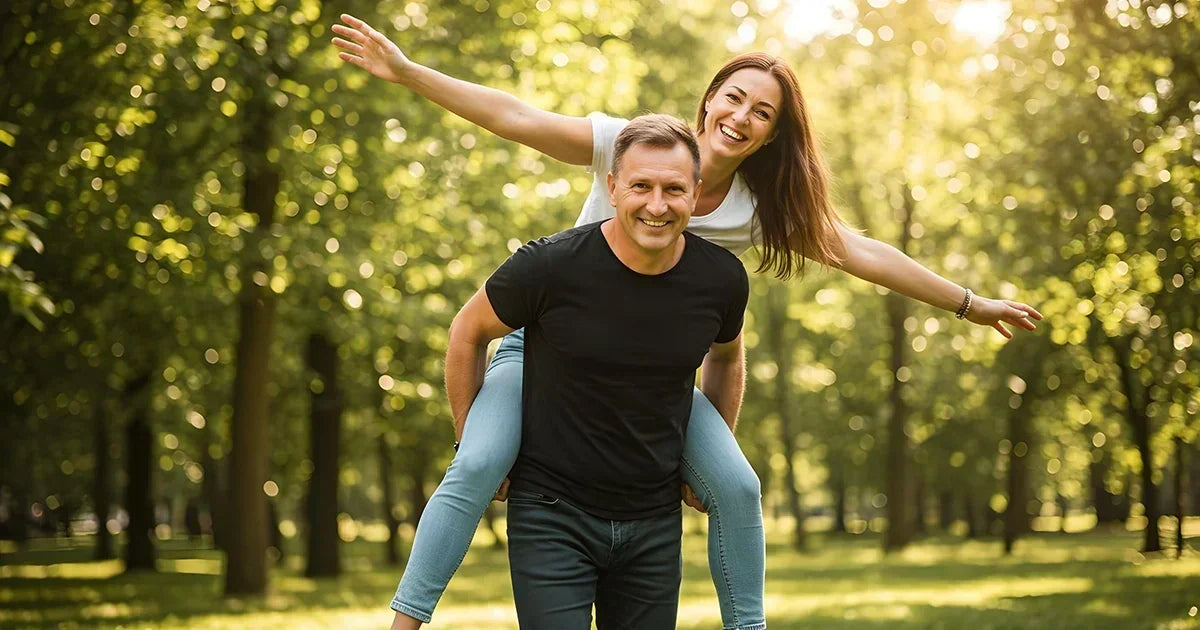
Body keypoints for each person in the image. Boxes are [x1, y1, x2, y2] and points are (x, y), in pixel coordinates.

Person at [331, 14, 1043, 630]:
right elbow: (515, 117)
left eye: (763, 112)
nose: (742, 115)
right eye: (735, 96)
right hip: (549, 354)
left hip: (657, 382)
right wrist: (405, 70)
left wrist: (970, 304)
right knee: (480, 461)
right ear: (709, 100)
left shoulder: (762, 211)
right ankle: (405, 617)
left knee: (736, 487)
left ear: (771, 135)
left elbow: (861, 252)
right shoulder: (637, 144)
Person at [448, 114, 748, 628]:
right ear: (612, 188)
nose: (657, 205)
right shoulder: (550, 265)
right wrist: (468, 434)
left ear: (696, 194)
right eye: (641, 187)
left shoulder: (720, 279)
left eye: (673, 189)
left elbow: (727, 356)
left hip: (653, 520)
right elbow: (467, 332)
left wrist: (706, 461)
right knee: (468, 472)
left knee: (744, 487)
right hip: (551, 511)